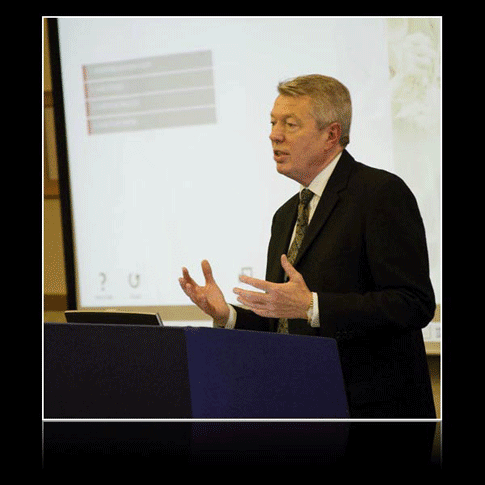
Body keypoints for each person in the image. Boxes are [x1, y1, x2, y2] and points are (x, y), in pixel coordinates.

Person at [179, 74, 436, 419]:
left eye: (290, 124)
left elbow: (413, 304)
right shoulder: (286, 215)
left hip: (370, 417)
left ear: (331, 134)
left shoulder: (380, 193)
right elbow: (284, 323)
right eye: (273, 122)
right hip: (302, 410)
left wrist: (314, 306)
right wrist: (227, 315)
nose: (274, 134)